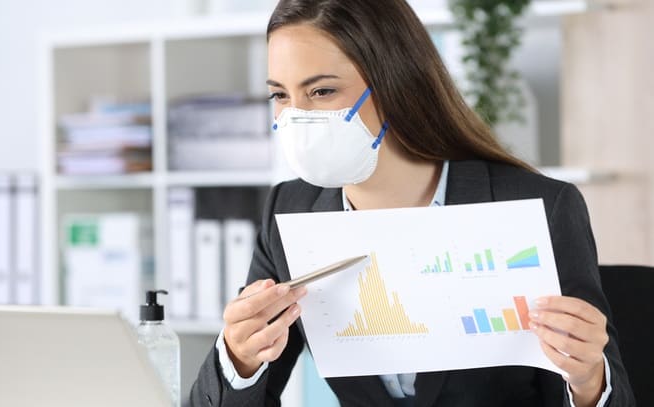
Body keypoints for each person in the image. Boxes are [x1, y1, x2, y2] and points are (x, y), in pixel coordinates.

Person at [190, 0, 635, 406]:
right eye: (280, 95)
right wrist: (240, 358)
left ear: (395, 84)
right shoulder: (291, 210)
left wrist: (588, 378)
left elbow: (613, 395)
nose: (296, 116)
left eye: (322, 91)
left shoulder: (539, 205)